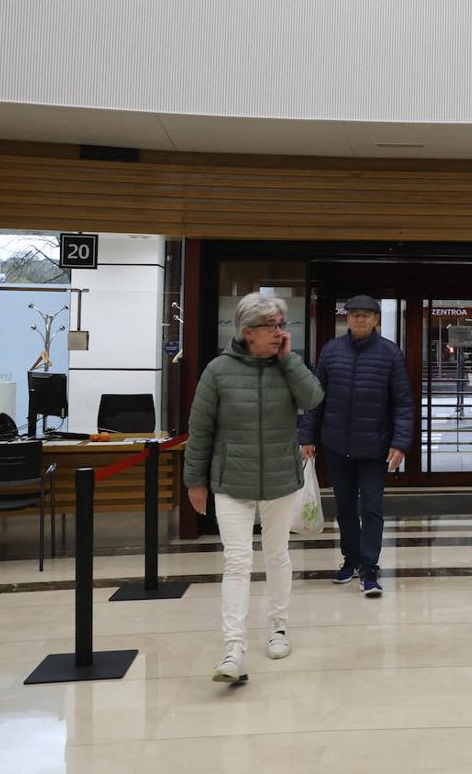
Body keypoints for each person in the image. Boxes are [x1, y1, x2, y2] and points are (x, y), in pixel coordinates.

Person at [184, 292, 325, 684]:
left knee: (277, 555)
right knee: (237, 561)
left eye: (283, 325)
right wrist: (194, 481)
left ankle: (278, 627)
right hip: (232, 482)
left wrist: (289, 360)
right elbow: (201, 430)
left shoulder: (287, 366)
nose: (280, 333)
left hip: (281, 479)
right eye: (272, 327)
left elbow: (313, 397)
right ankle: (233, 648)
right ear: (248, 332)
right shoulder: (218, 371)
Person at [298, 294, 413, 597]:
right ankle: (350, 560)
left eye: (366, 314)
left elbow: (403, 403)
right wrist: (306, 436)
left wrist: (400, 443)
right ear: (345, 318)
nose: (359, 319)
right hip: (337, 445)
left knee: (372, 507)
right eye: (353, 314)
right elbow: (315, 397)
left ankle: (370, 568)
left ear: (376, 320)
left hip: (375, 447)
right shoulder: (331, 352)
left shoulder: (390, 354)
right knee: (345, 507)